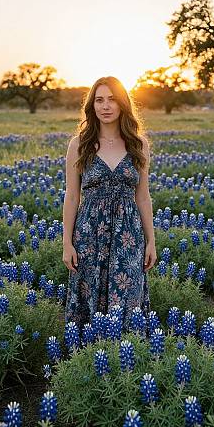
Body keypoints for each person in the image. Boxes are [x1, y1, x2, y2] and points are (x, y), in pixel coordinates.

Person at [62, 75, 156, 331]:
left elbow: (143, 196)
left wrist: (151, 241)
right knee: (89, 295)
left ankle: (124, 362)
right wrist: (67, 243)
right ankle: (89, 359)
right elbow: (72, 196)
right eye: (99, 100)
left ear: (123, 104)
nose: (105, 106)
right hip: (89, 233)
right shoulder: (78, 145)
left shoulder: (138, 145)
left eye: (112, 100)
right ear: (91, 105)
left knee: (127, 297)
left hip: (129, 234)